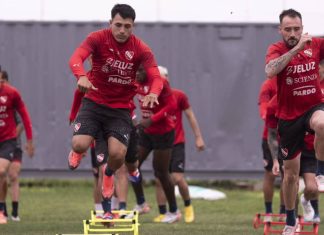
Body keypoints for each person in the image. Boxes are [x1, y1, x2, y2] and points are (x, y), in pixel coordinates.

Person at [68, 4, 163, 219]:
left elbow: (156, 76)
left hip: (120, 108)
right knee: (79, 143)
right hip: (94, 102)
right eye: (118, 25)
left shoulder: (141, 49)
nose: (122, 30)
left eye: (127, 27)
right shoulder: (97, 38)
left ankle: (109, 174)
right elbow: (75, 58)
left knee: (118, 154)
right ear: (110, 23)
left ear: (133, 27)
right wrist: (81, 75)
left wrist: (154, 92)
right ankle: (76, 151)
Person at [265, 8, 324, 234]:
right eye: (288, 29)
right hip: (289, 118)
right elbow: (270, 71)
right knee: (289, 176)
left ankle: (320, 172)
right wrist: (297, 48)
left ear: (302, 27)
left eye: (296, 29)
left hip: (313, 107)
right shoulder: (276, 49)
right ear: (280, 30)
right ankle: (291, 221)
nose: (293, 33)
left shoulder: (316, 44)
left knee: (322, 123)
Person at [153, 66, 205, 223]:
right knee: (159, 178)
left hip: (176, 142)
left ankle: (188, 206)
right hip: (160, 142)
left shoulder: (179, 95)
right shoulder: (151, 97)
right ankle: (163, 212)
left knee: (177, 177)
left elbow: (190, 115)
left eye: (163, 78)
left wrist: (198, 137)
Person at [129, 65, 180, 223]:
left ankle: (174, 211)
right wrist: (132, 117)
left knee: (161, 172)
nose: (136, 74)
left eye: (140, 70)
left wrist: (151, 119)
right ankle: (141, 203)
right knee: (133, 166)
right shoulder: (134, 82)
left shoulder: (160, 82)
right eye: (134, 70)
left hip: (163, 132)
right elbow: (125, 99)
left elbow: (172, 106)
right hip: (147, 132)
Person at [0, 70, 34, 224]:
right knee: (3, 176)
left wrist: (28, 141)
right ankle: (4, 210)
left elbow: (23, 120)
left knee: (10, 174)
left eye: (3, 81)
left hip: (11, 142)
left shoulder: (12, 96)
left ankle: (11, 211)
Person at [257, 77, 285, 222]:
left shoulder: (292, 81)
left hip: (289, 138)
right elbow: (263, 108)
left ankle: (283, 211)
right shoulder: (268, 84)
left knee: (287, 176)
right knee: (270, 174)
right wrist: (270, 116)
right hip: (271, 137)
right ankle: (268, 211)